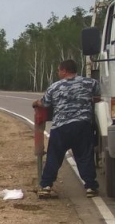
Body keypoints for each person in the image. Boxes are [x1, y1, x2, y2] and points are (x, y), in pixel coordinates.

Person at [32, 59, 102, 198]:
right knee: (84, 156)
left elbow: (44, 103)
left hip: (61, 127)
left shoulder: (55, 87)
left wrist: (35, 102)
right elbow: (97, 98)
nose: (58, 73)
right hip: (82, 125)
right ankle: (90, 187)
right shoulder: (90, 83)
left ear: (64, 70)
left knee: (54, 157)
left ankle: (45, 186)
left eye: (59, 70)